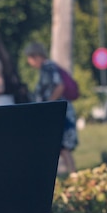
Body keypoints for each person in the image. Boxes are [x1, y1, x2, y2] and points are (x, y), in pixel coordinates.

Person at [24, 41, 78, 174]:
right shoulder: (48, 67)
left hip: (58, 112)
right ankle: (72, 174)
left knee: (61, 145)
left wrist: (49, 104)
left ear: (35, 56)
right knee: (60, 146)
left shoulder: (48, 67)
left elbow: (59, 86)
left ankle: (73, 174)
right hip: (58, 111)